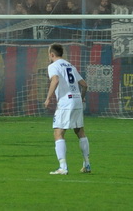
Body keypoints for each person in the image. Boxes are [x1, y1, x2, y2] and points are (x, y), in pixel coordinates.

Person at [43, 43, 91, 175]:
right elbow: (84, 85)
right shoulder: (70, 65)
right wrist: (81, 97)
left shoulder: (53, 66)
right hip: (76, 100)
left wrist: (48, 98)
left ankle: (63, 167)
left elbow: (55, 80)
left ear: (52, 54)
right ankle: (87, 164)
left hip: (65, 102)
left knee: (58, 133)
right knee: (80, 132)